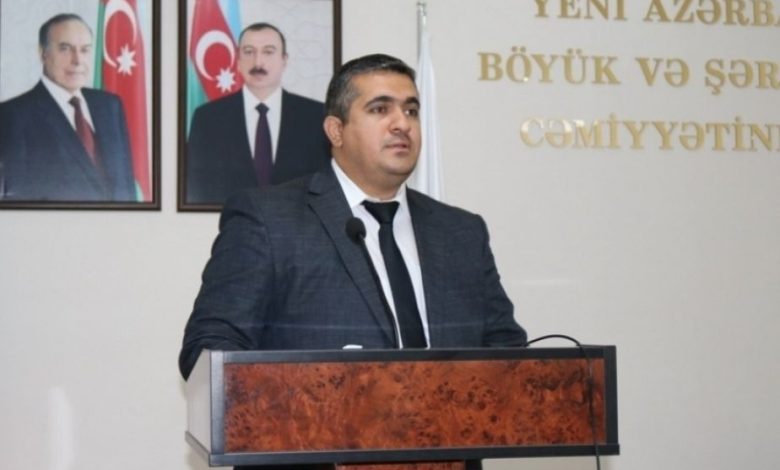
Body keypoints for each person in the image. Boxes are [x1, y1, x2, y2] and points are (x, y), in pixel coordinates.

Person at [179, 54, 527, 470]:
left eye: (411, 110)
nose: (401, 124)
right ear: (336, 130)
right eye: (380, 109)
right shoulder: (269, 219)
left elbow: (508, 354)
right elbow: (209, 348)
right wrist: (320, 405)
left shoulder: (461, 232)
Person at [185, 22, 331, 205]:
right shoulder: (207, 118)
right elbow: (197, 185)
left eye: (268, 52)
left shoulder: (315, 116)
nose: (258, 62)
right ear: (238, 60)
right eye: (248, 52)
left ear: (284, 60)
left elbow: (325, 184)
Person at [0, 13, 135, 202]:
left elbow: (127, 187)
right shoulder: (12, 116)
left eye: (85, 50)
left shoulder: (110, 106)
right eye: (65, 49)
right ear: (42, 53)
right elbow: (19, 203)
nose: (77, 60)